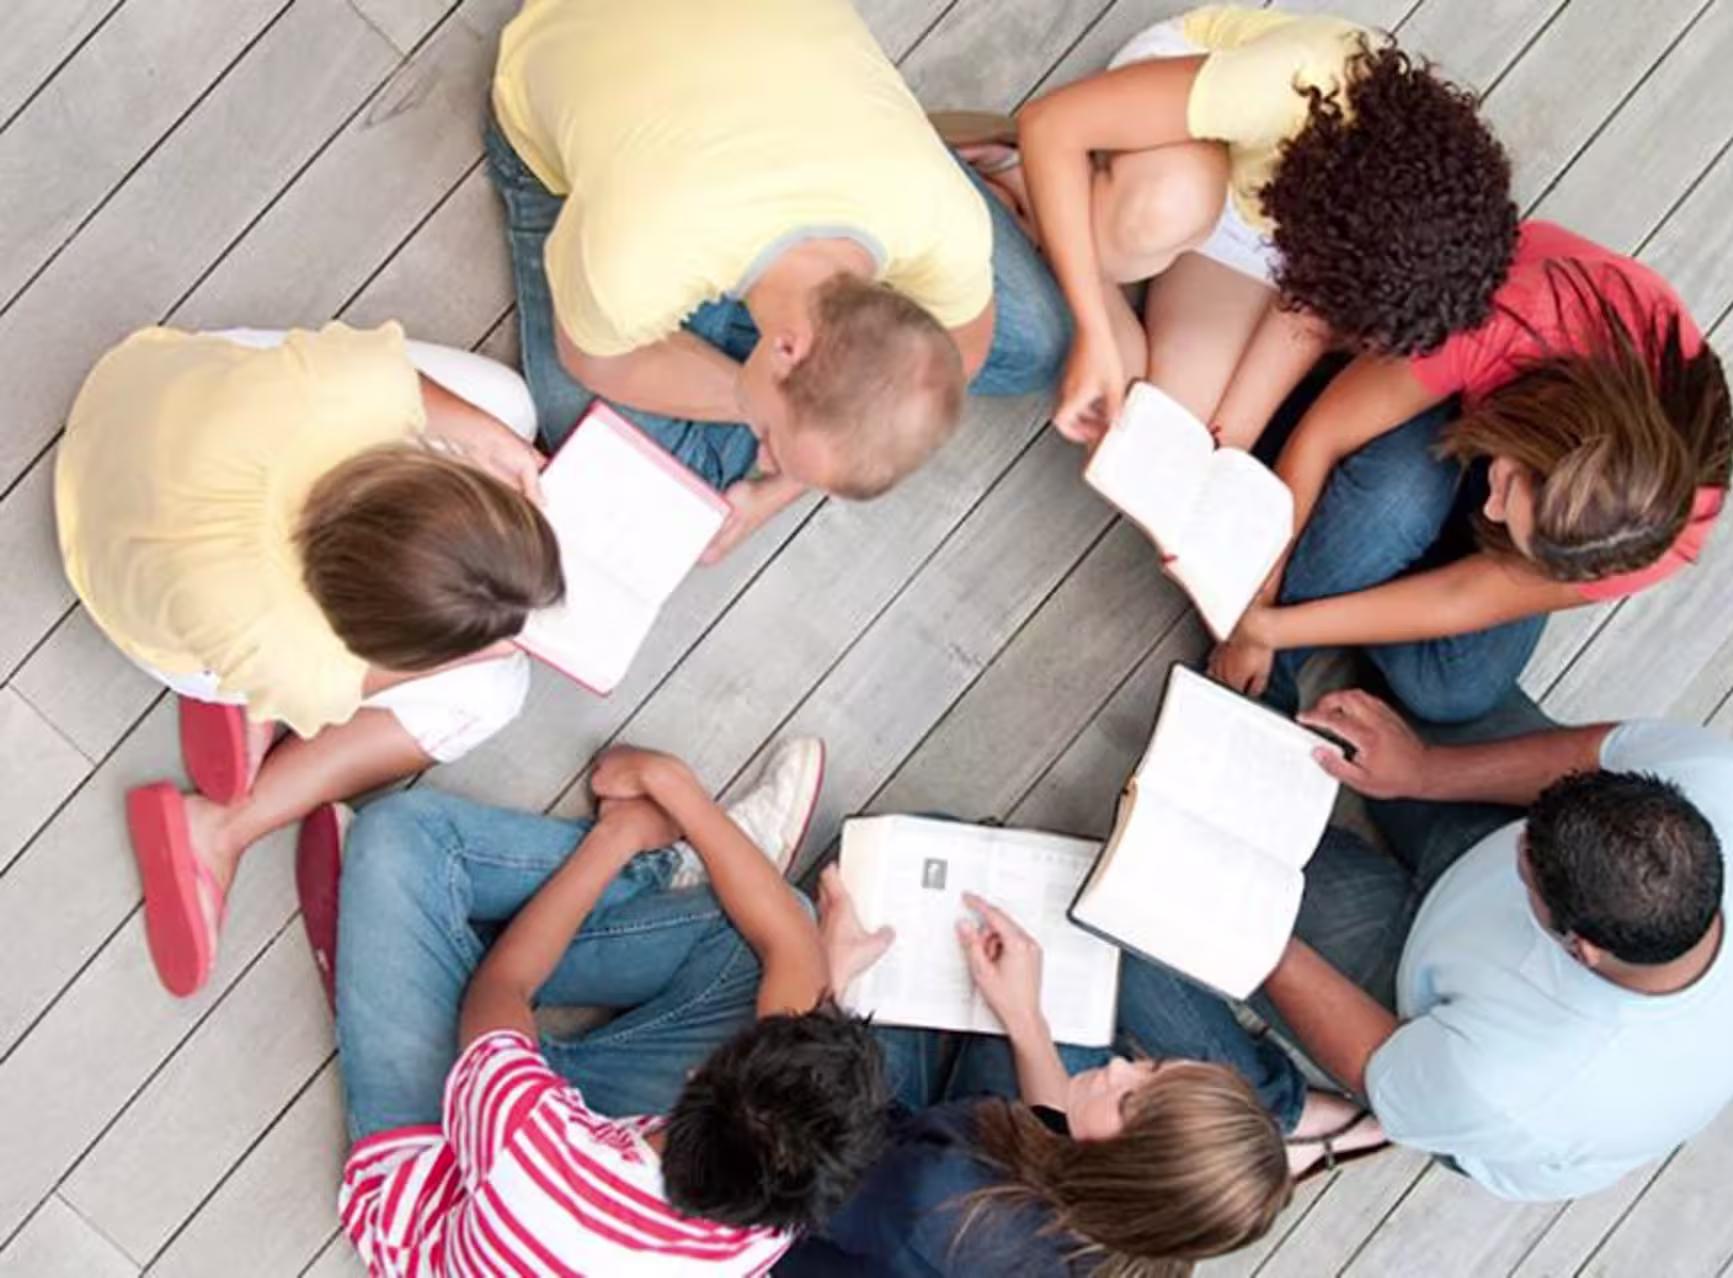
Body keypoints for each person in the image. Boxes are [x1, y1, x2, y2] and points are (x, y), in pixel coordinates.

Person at [54, 323, 561, 999]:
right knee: (497, 692)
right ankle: (223, 825)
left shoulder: (334, 396)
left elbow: (391, 378)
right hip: (147, 612)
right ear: (378, 632)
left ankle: (244, 711)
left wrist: (493, 443)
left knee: (509, 407)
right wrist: (465, 654)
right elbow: (354, 680)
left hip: (132, 403)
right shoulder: (299, 655)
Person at [485, 0, 1072, 562]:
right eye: (770, 438)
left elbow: (960, 353)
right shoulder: (639, 259)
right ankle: (738, 353)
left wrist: (785, 483)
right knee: (647, 474)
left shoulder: (940, 217)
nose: (765, 457)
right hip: (569, 79)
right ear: (789, 348)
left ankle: (747, 355)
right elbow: (597, 365)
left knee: (1037, 345)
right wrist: (759, 408)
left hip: (760, 121)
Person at [307, 737, 892, 1274]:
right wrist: (824, 973)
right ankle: (411, 951)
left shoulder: (528, 1147)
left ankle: (646, 867)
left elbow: (503, 984)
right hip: (577, 1144)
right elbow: (789, 946)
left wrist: (623, 834)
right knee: (766, 942)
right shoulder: (772, 1210)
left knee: (396, 842)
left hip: (452, 1163)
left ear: (697, 1076)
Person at [1256, 685, 1733, 1200]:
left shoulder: (1514, 1084)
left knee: (1245, 865)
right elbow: (1595, 754)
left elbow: (1375, 1063)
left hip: (1421, 1028)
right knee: (1410, 697)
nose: (1520, 837)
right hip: (1523, 881)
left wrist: (1260, 931)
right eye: (1531, 828)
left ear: (1579, 948)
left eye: (1526, 866)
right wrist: (1424, 771)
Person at [1210, 222, 1733, 723]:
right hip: (1474, 360)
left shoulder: (1658, 532)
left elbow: (1461, 598)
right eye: (1505, 486)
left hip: (1534, 447)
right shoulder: (1516, 317)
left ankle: (1362, 564)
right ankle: (1337, 585)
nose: (1491, 505)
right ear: (1534, 435)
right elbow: (1322, 437)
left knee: (1455, 690)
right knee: (1395, 502)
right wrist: (1259, 617)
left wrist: (1276, 628)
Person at [778, 868, 1389, 1274]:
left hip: (817, 1186)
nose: (1121, 1065)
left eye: (1128, 1101)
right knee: (940, 899)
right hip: (937, 1170)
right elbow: (1057, 1147)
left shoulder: (944, 1195)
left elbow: (802, 1154)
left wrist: (827, 986)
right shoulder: (1138, 1244)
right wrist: (1025, 1019)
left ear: (1126, 1175)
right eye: (1150, 1069)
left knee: (804, 919)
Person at [988, 6, 1514, 443]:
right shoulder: (1299, 82)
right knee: (1166, 209)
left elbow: (1304, 314)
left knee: (1154, 433)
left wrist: (1229, 441)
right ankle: (1025, 181)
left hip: (1266, 216)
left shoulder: (1374, 230)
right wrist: (1093, 329)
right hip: (1186, 135)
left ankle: (1070, 247)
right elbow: (1051, 121)